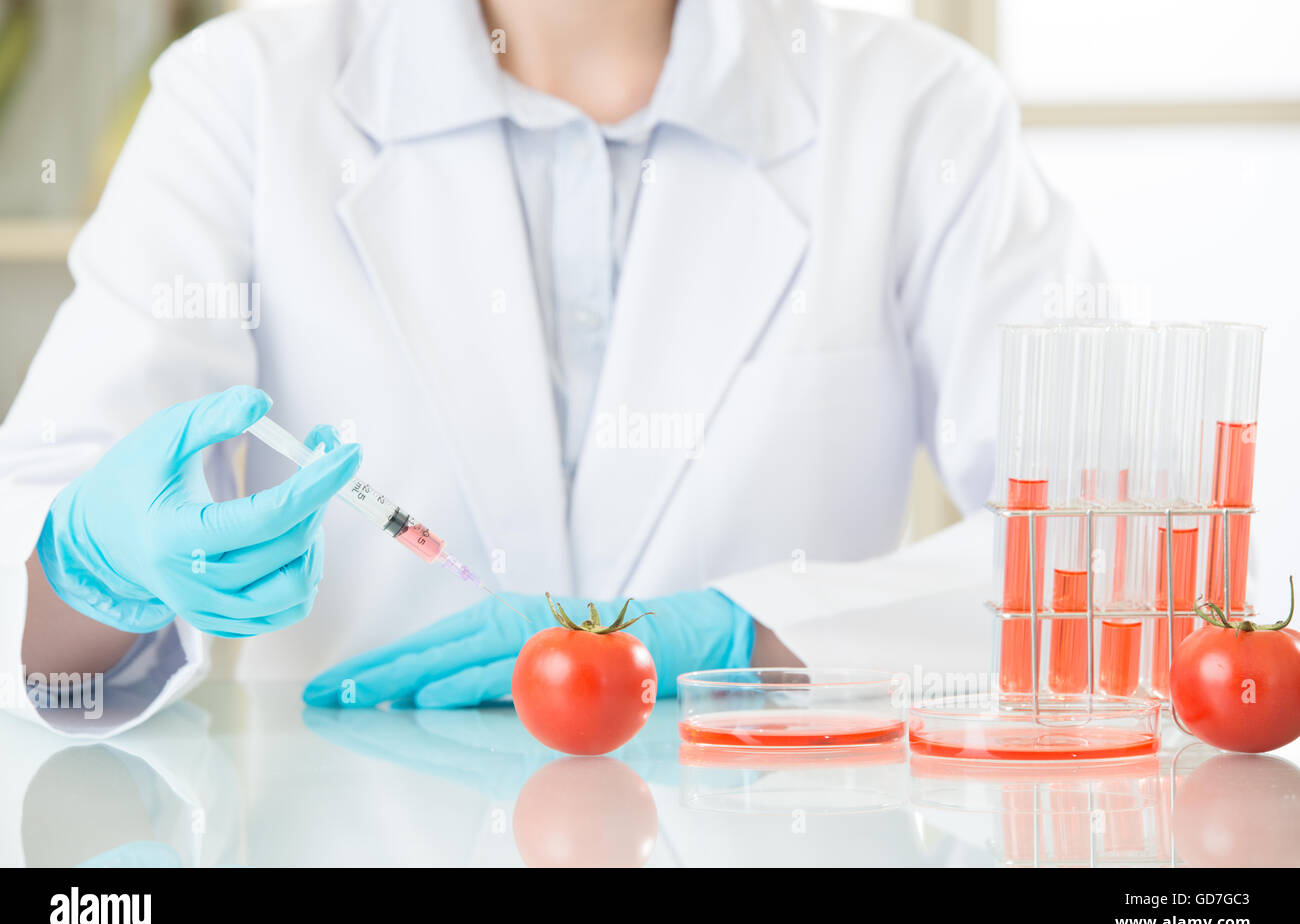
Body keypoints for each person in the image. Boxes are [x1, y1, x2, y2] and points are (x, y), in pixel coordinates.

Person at [0, 0, 1099, 734]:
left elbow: (1122, 553)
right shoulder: (242, 91)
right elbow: (37, 597)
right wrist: (98, 561)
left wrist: (749, 636)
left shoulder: (913, 106)